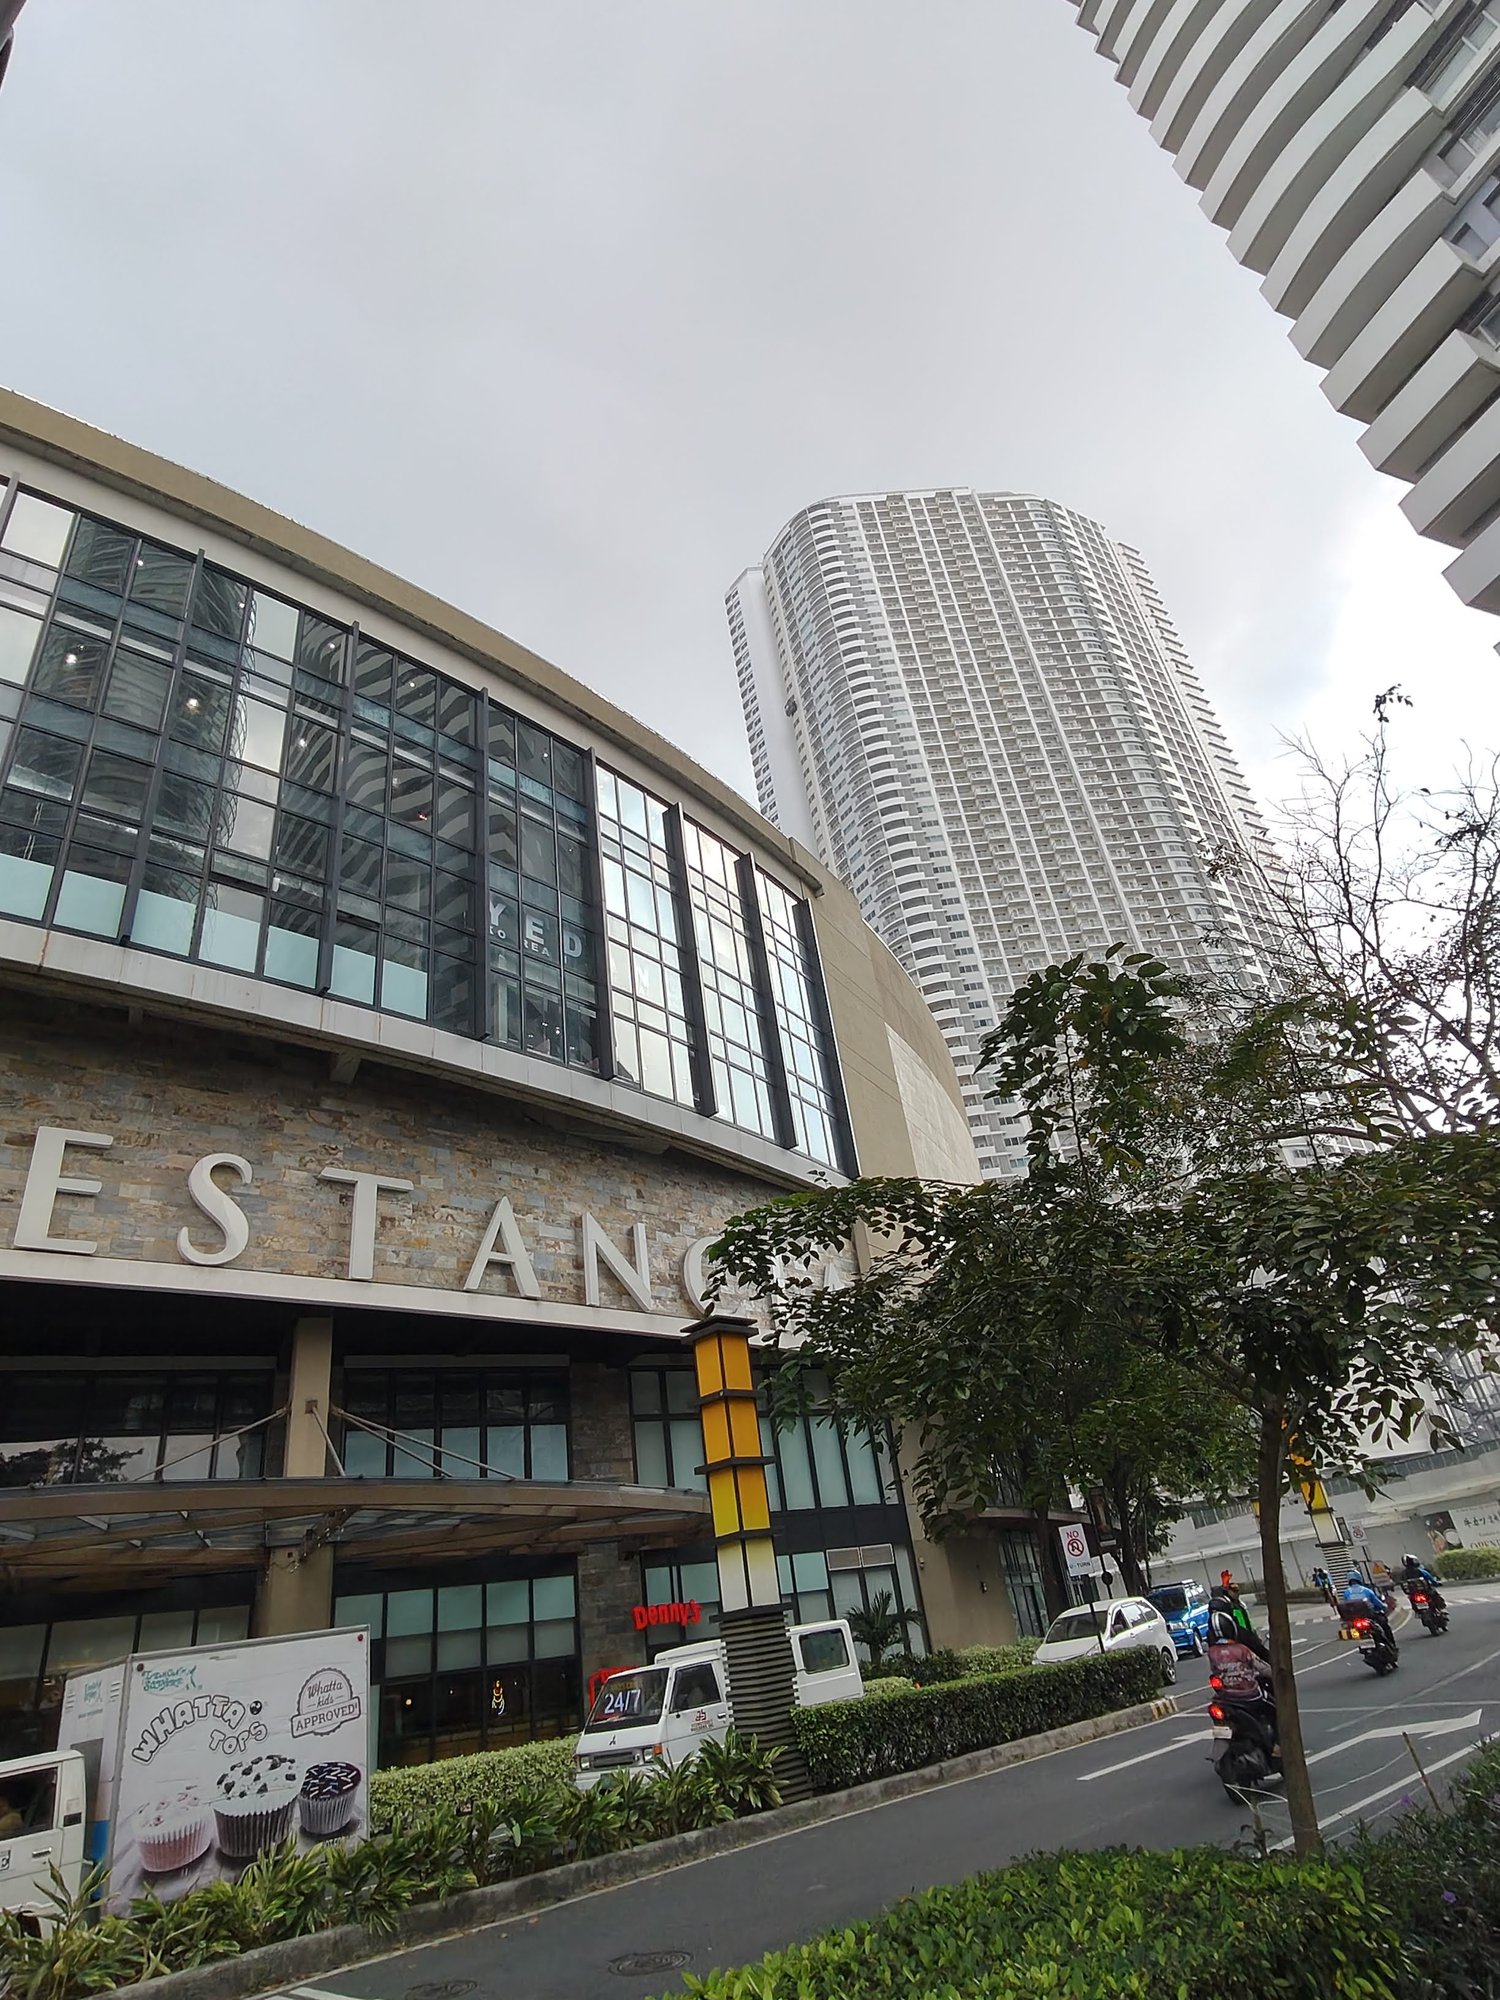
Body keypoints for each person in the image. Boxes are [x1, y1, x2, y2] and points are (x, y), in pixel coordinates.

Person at [1206, 1606, 1277, 1749]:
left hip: (1226, 1699)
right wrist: (1275, 1673)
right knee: (1276, 1711)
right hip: (1249, 1696)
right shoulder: (1242, 1650)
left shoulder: (1212, 1652)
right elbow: (1263, 1668)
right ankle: (1278, 1746)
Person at [1207, 1578, 1270, 1663]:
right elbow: (1242, 1628)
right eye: (1233, 1590)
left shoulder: (1237, 1605)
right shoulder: (1232, 1608)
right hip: (1244, 1642)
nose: (1237, 1592)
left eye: (1237, 1590)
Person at [1341, 1567, 1397, 1653]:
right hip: (1370, 1616)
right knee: (1385, 1627)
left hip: (1355, 1619)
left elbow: (1346, 1605)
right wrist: (1384, 1607)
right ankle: (1392, 1646)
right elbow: (1378, 1604)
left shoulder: (1346, 1592)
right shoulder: (1367, 1591)